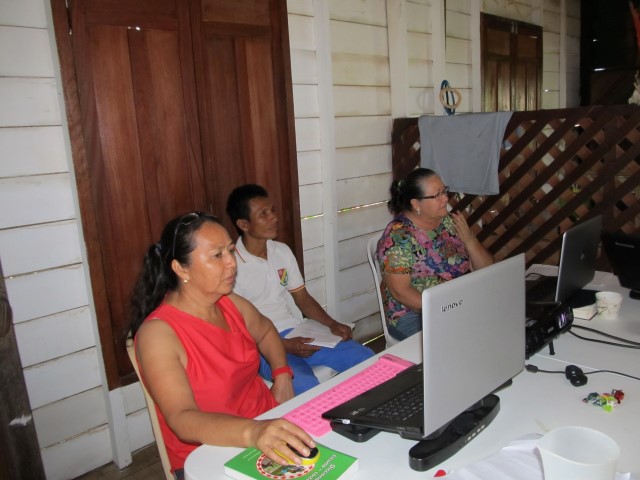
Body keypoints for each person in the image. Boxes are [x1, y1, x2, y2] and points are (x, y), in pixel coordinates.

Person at [129, 212, 315, 479]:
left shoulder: (229, 303)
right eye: (217, 256)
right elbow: (182, 418)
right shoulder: (158, 335)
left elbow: (266, 332)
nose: (231, 263)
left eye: (230, 250)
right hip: (209, 453)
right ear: (181, 269)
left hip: (268, 424)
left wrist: (282, 374)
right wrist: (253, 432)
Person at [226, 184, 374, 395]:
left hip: (298, 331)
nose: (274, 218)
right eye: (263, 214)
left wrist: (332, 324)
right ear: (244, 224)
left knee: (365, 358)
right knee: (305, 385)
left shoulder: (281, 251)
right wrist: (284, 345)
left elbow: (302, 299)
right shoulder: (231, 265)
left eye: (273, 211)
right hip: (262, 346)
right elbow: (239, 328)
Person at [377, 168, 494, 341]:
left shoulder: (447, 222)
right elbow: (400, 292)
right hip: (413, 313)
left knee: (497, 319)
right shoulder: (397, 238)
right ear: (416, 204)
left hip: (456, 301)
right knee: (462, 338)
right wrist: (446, 308)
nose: (445, 198)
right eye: (437, 195)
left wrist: (470, 240)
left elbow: (488, 270)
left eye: (444, 191)